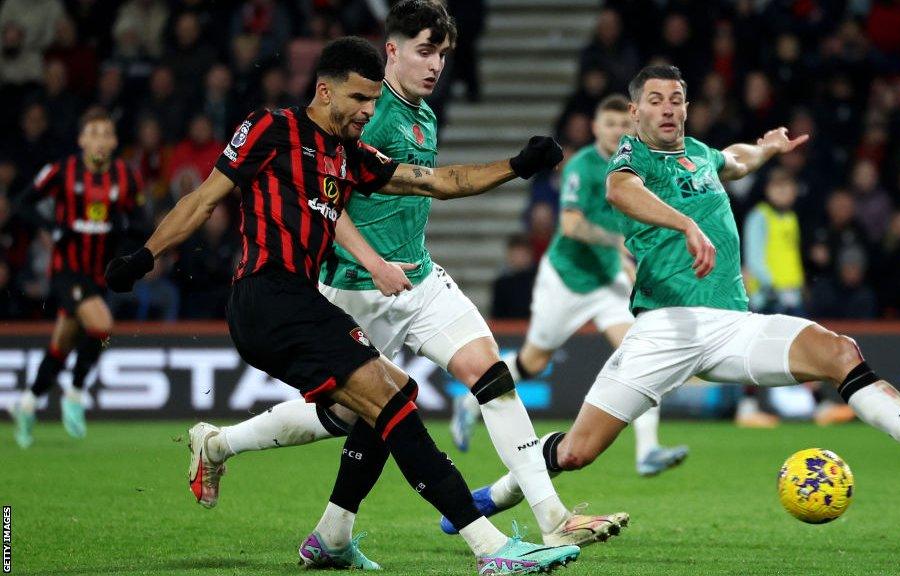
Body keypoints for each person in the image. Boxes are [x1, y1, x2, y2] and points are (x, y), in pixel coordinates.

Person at [446, 66, 900, 528]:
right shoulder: (630, 159)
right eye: (656, 100)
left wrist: (766, 150)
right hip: (666, 327)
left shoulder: (698, 153)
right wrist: (685, 225)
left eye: (677, 100)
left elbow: (732, 159)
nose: (668, 109)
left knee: (839, 351)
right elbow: (621, 194)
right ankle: (495, 495)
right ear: (637, 111)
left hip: (732, 325)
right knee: (575, 453)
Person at [104, 36, 581, 575]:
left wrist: (516, 166)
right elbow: (202, 198)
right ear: (324, 90)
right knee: (392, 395)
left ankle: (322, 529)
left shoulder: (348, 155)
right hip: (265, 295)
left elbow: (439, 183)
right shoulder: (270, 128)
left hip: (298, 300)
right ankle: (490, 550)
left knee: (377, 404)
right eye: (358, 99)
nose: (367, 111)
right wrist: (145, 255)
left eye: (374, 101)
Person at [453, 94, 689, 479]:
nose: (617, 131)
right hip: (564, 280)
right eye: (609, 124)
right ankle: (471, 400)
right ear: (596, 128)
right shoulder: (582, 166)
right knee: (533, 362)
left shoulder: (640, 167)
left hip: (606, 278)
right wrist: (616, 243)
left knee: (643, 352)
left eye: (624, 125)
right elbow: (573, 225)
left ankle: (648, 450)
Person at [7, 109, 146, 448]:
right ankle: (76, 391)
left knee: (62, 344)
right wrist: (54, 228)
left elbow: (141, 223)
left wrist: (122, 233)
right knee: (102, 327)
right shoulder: (61, 171)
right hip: (67, 271)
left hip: (100, 274)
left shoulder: (126, 178)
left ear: (114, 142)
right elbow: (22, 203)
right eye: (93, 133)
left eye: (106, 134)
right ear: (82, 139)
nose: (100, 139)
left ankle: (26, 403)